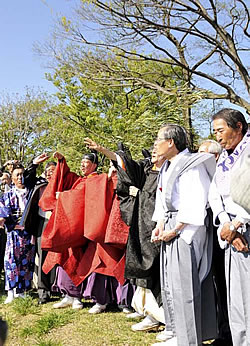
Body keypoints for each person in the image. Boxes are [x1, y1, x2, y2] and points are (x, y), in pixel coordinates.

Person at [84, 138, 166, 331]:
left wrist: (141, 195)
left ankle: (163, 317)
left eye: (157, 148)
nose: (153, 151)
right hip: (142, 226)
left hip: (160, 228)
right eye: (152, 148)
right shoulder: (146, 170)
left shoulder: (170, 172)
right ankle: (150, 313)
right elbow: (124, 164)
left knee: (156, 273)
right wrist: (103, 150)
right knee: (140, 267)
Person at [151, 124, 217, 346]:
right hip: (169, 227)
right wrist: (159, 225)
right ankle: (177, 332)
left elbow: (196, 200)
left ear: (171, 142)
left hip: (186, 229)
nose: (155, 144)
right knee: (170, 284)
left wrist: (176, 229)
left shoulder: (192, 165)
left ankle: (189, 340)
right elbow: (162, 201)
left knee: (186, 285)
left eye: (158, 139)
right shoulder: (167, 166)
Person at [38, 151, 128, 312]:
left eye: (85, 162)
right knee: (65, 256)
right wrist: (61, 162)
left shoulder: (98, 180)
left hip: (91, 230)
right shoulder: (80, 180)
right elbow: (63, 177)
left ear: (94, 165)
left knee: (97, 264)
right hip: (76, 228)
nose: (82, 164)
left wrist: (64, 197)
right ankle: (69, 295)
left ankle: (90, 298)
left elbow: (80, 196)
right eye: (81, 161)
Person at [209, 108, 250, 346]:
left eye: (221, 130)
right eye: (214, 132)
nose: (218, 136)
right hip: (230, 231)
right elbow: (215, 194)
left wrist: (238, 223)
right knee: (235, 297)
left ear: (238, 127)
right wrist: (226, 224)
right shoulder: (225, 156)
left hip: (244, 226)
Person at [0, 154, 49, 304]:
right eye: (17, 175)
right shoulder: (6, 195)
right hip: (14, 233)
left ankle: (22, 291)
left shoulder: (31, 192)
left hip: (28, 233)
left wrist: (34, 164)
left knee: (26, 262)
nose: (20, 177)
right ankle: (11, 291)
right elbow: (3, 213)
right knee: (10, 261)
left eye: (22, 174)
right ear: (12, 178)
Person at [199, 140, 232, 345]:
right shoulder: (200, 176)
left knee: (227, 285)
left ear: (216, 156)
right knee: (217, 286)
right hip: (209, 237)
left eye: (203, 154)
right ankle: (222, 331)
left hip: (228, 232)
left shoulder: (226, 172)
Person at [21, 161, 57, 304]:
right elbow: (26, 178)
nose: (50, 173)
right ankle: (43, 292)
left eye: (53, 170)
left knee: (57, 256)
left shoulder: (64, 185)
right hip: (43, 223)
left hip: (58, 224)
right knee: (42, 257)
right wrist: (34, 163)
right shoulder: (39, 184)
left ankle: (57, 287)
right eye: (48, 170)